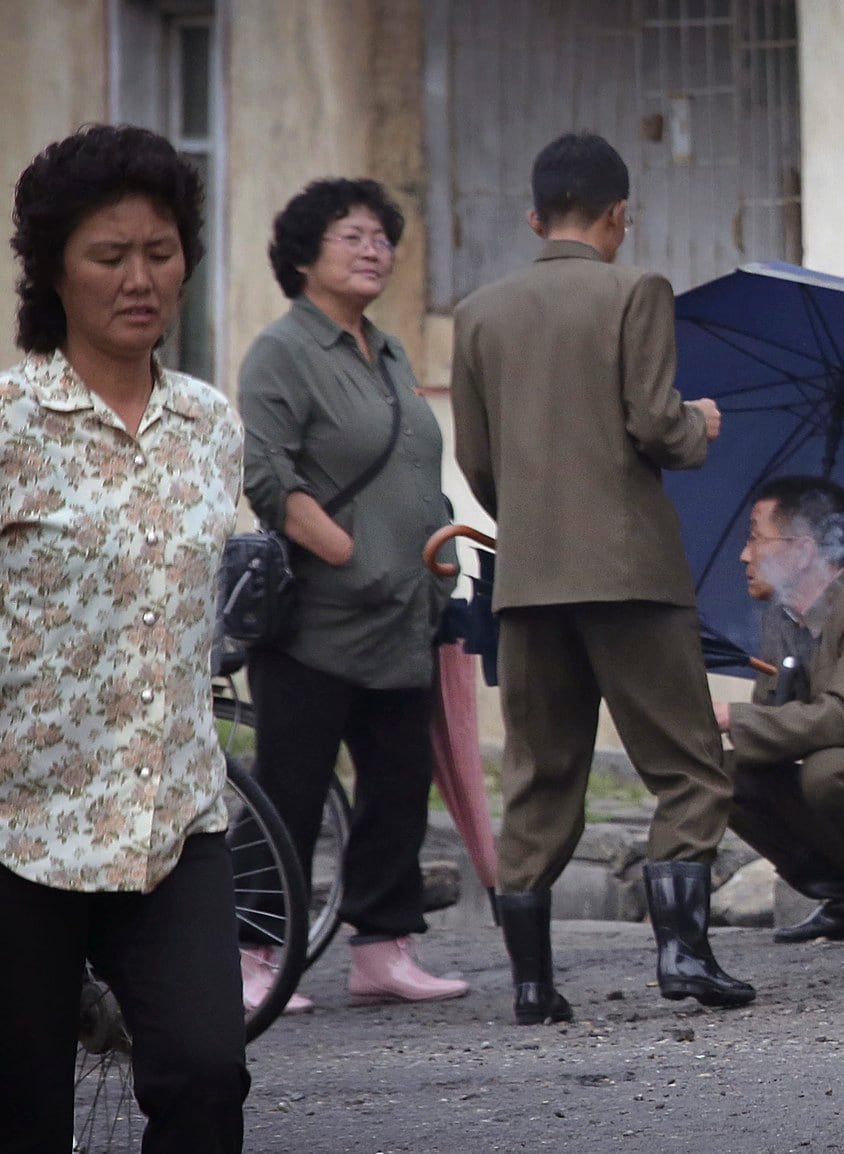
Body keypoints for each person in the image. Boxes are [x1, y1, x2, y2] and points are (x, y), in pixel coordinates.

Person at [450, 131, 754, 1023]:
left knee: (541, 777)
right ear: (620, 215)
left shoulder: (478, 314)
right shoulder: (637, 292)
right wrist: (698, 422)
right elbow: (656, 426)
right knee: (688, 766)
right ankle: (682, 955)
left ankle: (534, 985)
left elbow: (477, 461)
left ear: (536, 216)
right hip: (632, 573)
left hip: (529, 574)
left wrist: (535, 524)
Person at [0, 124, 248, 1151]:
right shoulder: (11, 422)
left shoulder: (211, 423)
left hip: (173, 816)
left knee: (205, 1077)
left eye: (160, 251)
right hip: (20, 823)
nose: (140, 278)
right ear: (55, 269)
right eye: (110, 256)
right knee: (25, 1117)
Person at [238, 178, 468, 1008]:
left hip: (408, 612)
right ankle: (253, 956)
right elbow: (265, 469)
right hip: (319, 616)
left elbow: (411, 461)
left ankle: (383, 948)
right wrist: (347, 547)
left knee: (399, 787)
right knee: (289, 790)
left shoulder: (393, 349)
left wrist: (432, 547)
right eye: (352, 236)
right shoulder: (283, 351)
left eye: (382, 237)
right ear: (304, 257)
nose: (375, 250)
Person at [718, 476, 844, 942]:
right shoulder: (780, 618)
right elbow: (770, 731)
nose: (746, 556)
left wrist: (733, 717)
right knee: (721, 770)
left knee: (827, 771)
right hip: (841, 783)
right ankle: (843, 893)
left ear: (804, 550)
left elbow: (843, 718)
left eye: (755, 538)